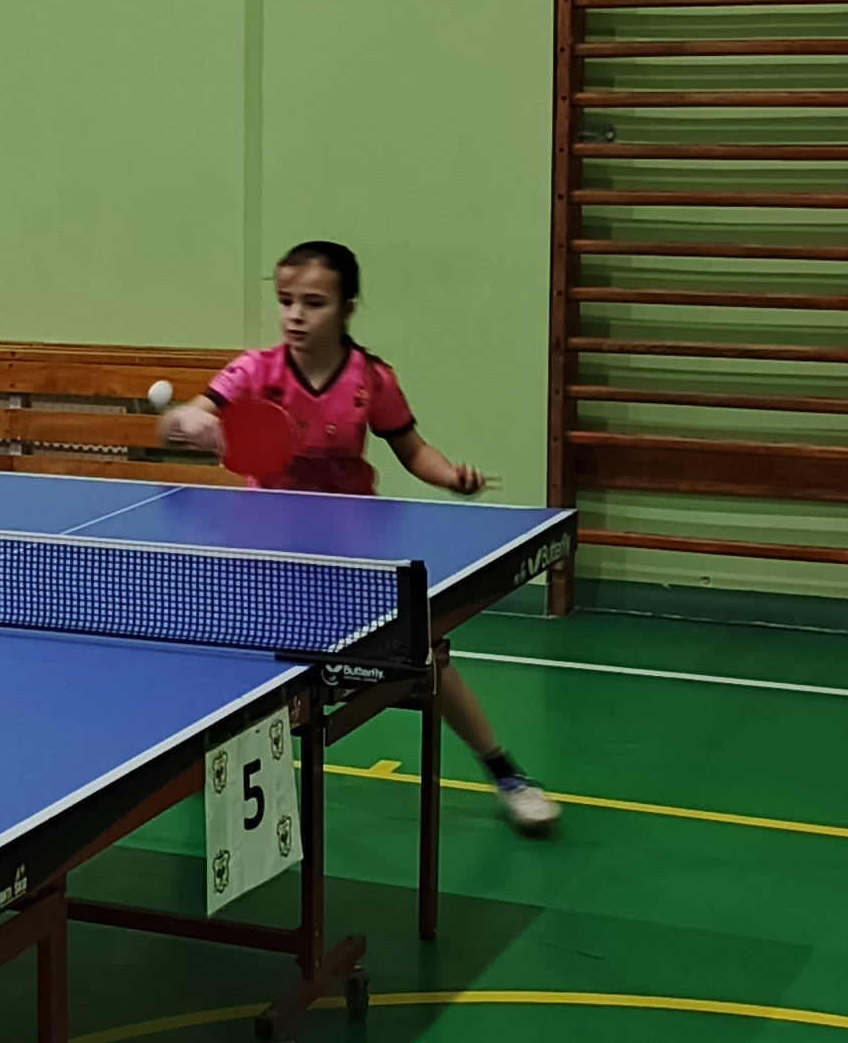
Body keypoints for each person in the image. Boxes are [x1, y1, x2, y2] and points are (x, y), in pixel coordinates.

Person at [159, 239, 559, 835]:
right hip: (266, 549)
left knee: (428, 655)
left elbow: (413, 450)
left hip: (351, 552)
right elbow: (183, 419)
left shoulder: (371, 380)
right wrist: (185, 421)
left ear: (347, 307)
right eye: (286, 301)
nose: (295, 315)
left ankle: (506, 773)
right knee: (230, 661)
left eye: (313, 302)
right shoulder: (254, 371)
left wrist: (451, 476)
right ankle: (211, 768)